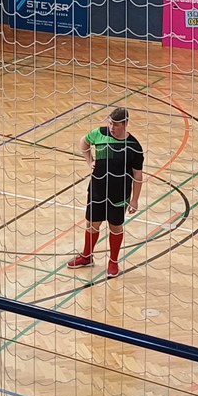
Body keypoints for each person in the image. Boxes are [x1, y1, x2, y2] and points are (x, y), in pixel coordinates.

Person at [66, 107, 144, 279]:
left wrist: (135, 200)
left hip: (119, 194)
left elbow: (138, 175)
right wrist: (89, 161)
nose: (111, 127)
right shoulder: (99, 134)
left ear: (125, 124)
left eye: (115, 124)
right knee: (92, 224)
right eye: (110, 123)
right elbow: (83, 142)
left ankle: (113, 262)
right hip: (97, 190)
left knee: (115, 227)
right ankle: (87, 256)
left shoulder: (134, 147)